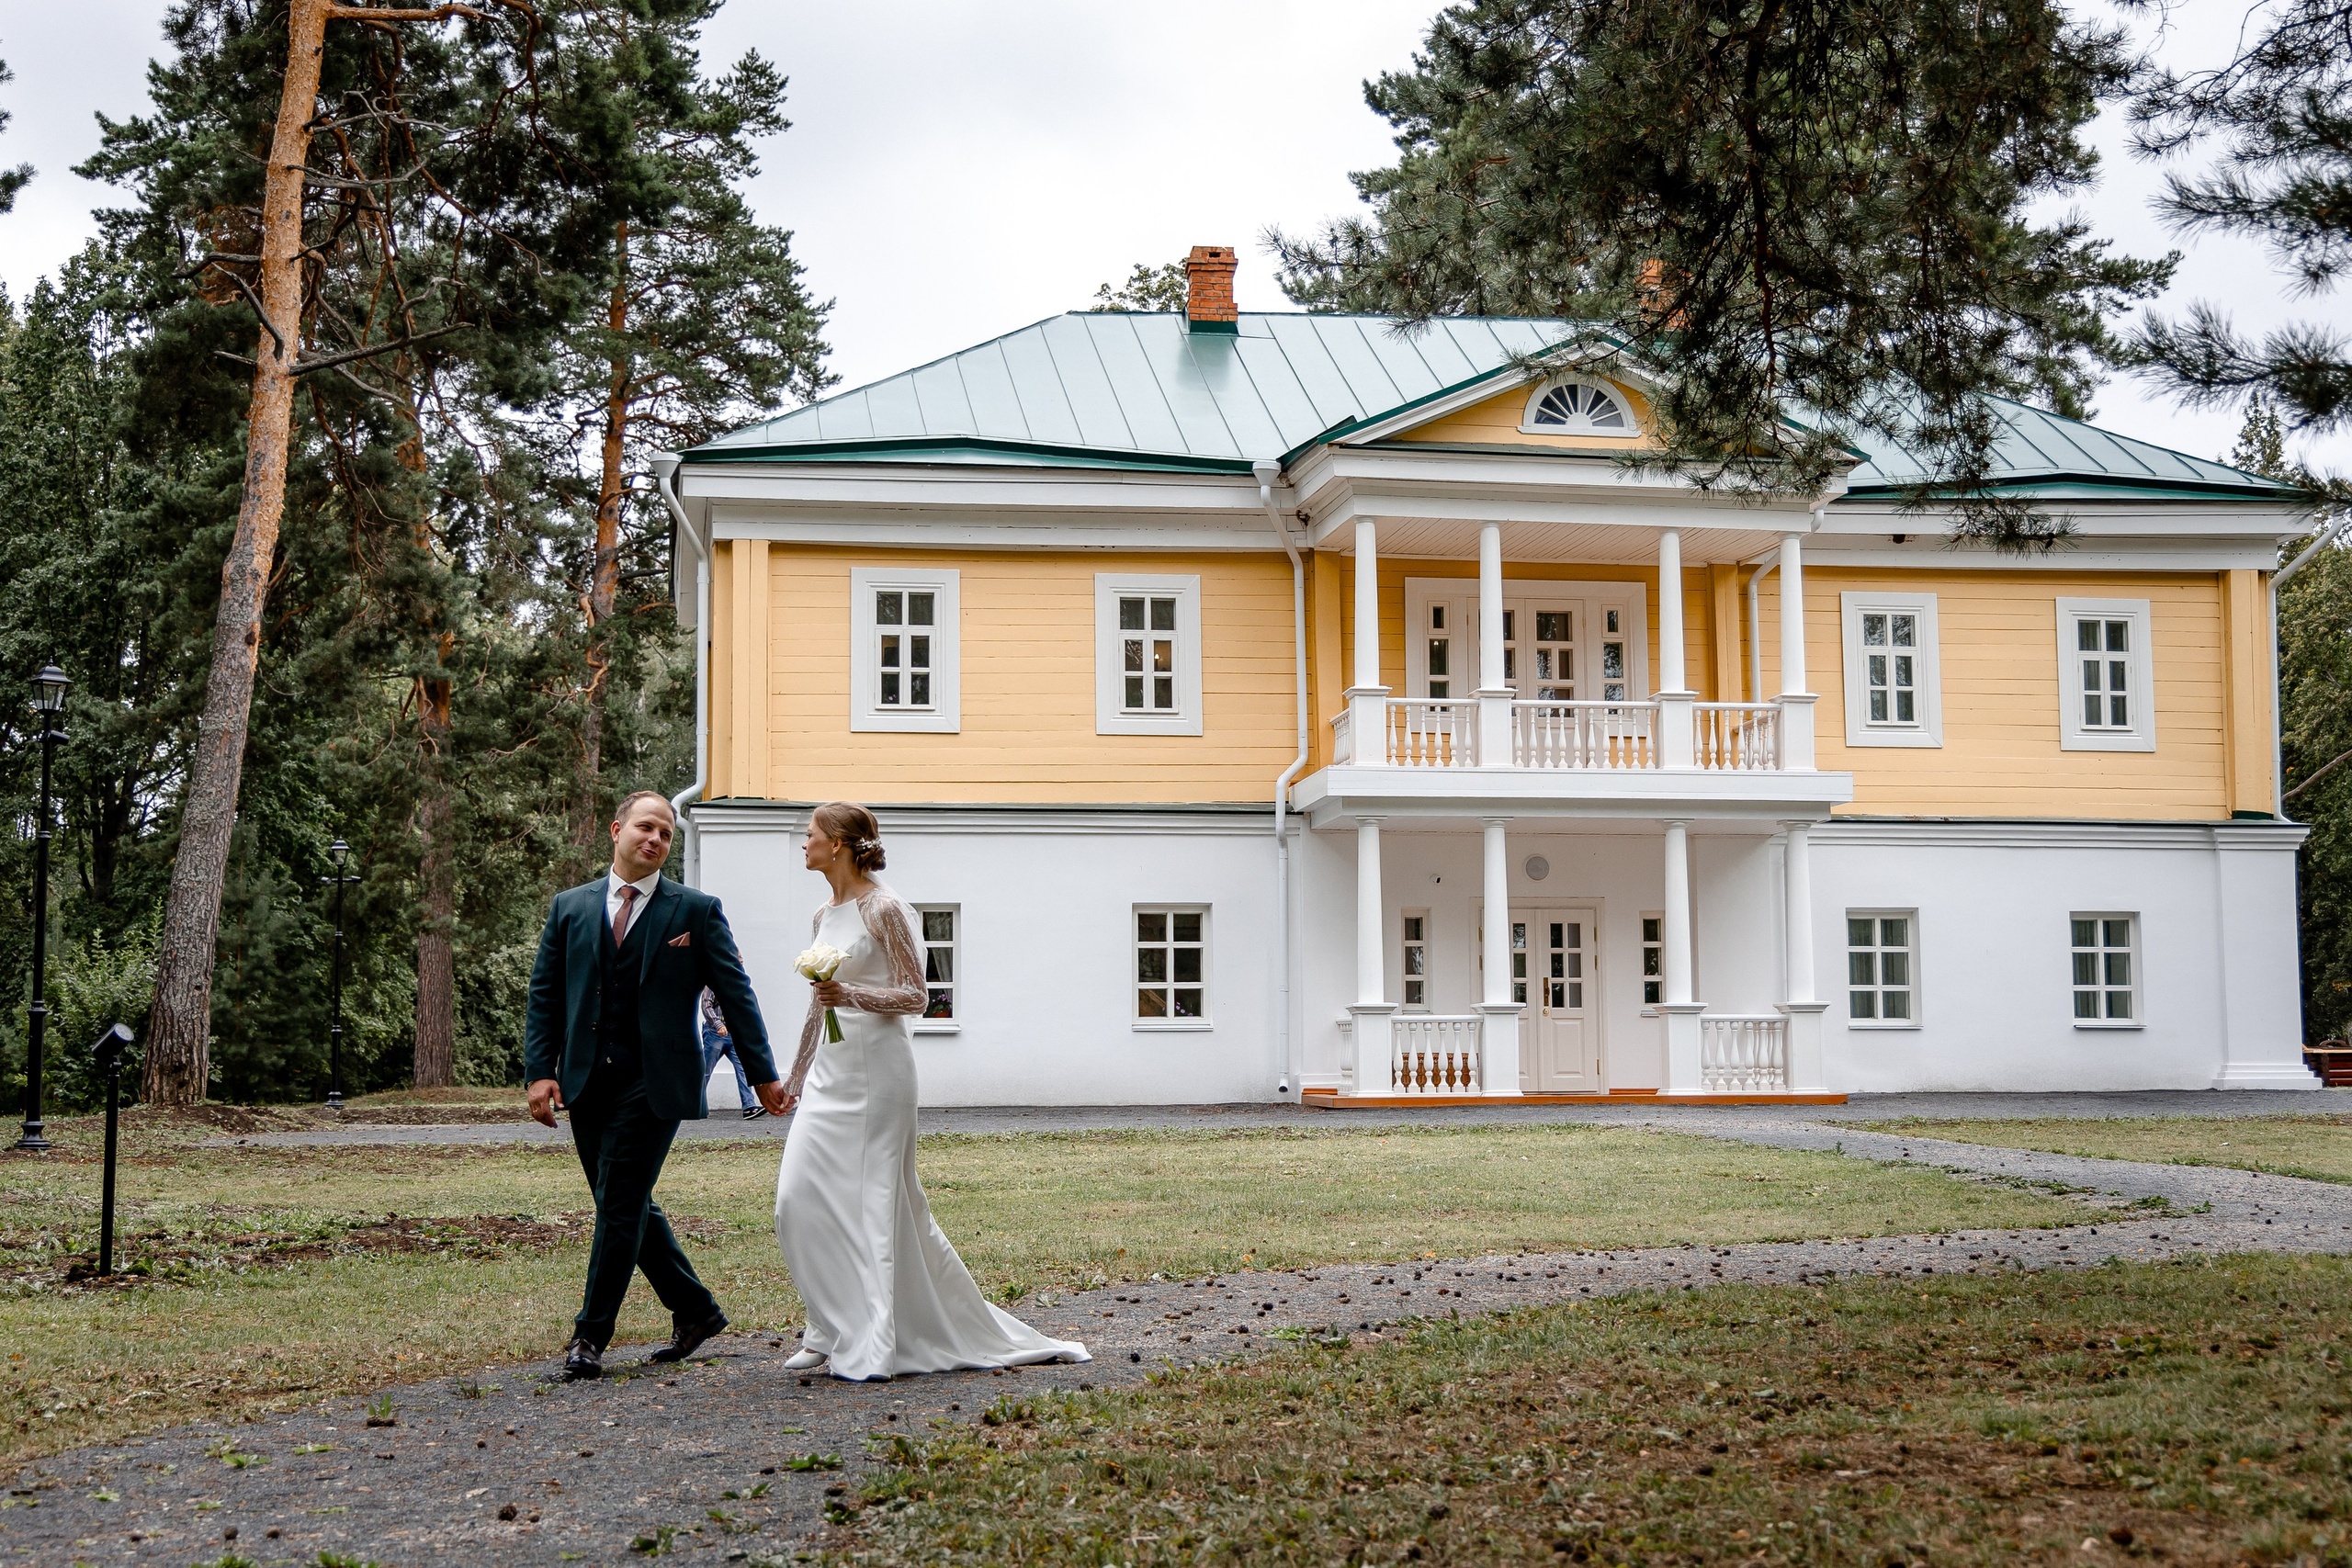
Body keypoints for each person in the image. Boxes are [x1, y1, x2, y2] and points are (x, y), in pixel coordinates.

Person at [773, 801, 1087, 1380]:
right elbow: (820, 1005)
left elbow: (918, 996)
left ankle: (867, 1332)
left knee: (872, 1201)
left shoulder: (886, 908)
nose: (804, 844)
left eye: (811, 835)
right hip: (829, 1073)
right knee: (796, 1200)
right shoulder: (823, 915)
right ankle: (829, 1321)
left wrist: (854, 997)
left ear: (838, 844)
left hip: (879, 1074)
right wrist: (790, 1080)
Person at [525, 790, 786, 1380]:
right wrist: (541, 1072)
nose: (656, 840)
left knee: (618, 1205)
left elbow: (736, 996)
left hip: (656, 1082)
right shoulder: (570, 907)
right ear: (616, 830)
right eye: (646, 827)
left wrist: (764, 1075)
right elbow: (545, 995)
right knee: (625, 1202)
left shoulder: (694, 910)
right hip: (587, 1080)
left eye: (667, 834)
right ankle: (695, 1310)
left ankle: (590, 1337)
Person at [699, 987, 765, 1120]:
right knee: (704, 1071)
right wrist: (718, 1024)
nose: (740, 965)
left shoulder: (738, 984)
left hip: (735, 1034)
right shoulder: (712, 984)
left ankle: (749, 1107)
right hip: (715, 1034)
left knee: (743, 1069)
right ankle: (695, 1105)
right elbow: (706, 1005)